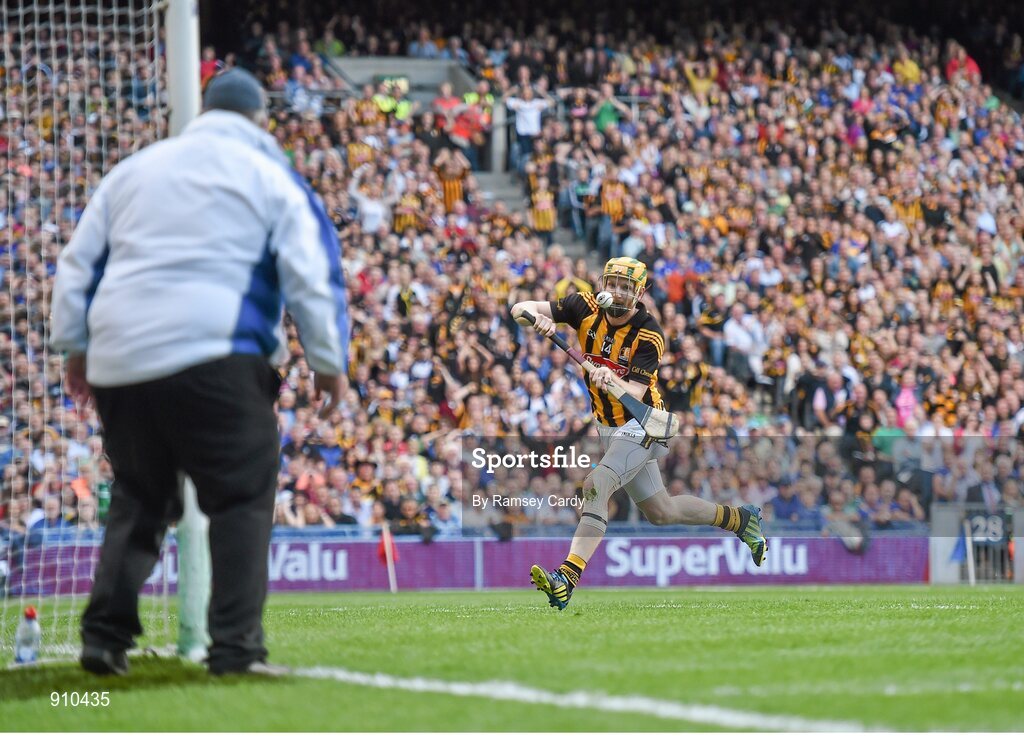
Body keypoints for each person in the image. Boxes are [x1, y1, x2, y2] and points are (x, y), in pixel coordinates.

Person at [49, 68, 349, 675]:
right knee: (240, 494)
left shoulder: (134, 171)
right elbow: (312, 275)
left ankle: (104, 639)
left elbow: (77, 264)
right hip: (219, 353)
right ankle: (235, 649)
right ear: (260, 121)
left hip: (122, 361)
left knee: (139, 495)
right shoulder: (271, 176)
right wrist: (328, 364)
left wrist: (74, 350)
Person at [510, 257, 767, 610]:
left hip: (642, 422)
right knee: (661, 512)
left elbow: (634, 391)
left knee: (597, 483)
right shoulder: (581, 305)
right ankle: (740, 519)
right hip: (607, 425)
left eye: (625, 287)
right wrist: (534, 317)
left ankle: (566, 578)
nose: (615, 291)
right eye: (612, 283)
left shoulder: (649, 333)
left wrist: (609, 377)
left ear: (639, 293)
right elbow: (518, 307)